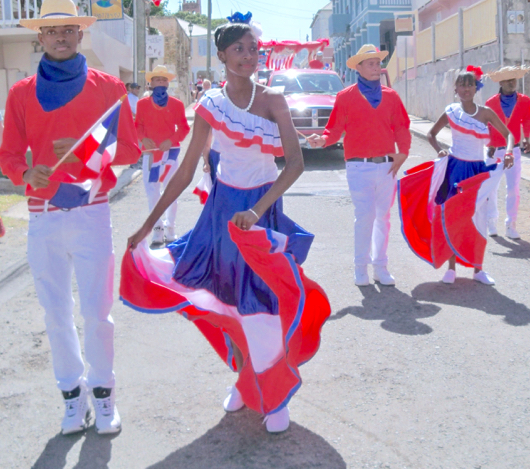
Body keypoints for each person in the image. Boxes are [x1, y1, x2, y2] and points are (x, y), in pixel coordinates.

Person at [122, 13, 330, 434]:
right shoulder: (212, 105)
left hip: (260, 211)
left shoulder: (274, 100)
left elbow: (295, 164)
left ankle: (272, 398)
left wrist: (257, 211)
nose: (248, 56)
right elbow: (182, 174)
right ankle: (244, 379)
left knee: (261, 305)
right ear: (221, 56)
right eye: (239, 49)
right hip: (221, 214)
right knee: (227, 302)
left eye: (253, 49)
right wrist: (147, 227)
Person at [0, 0, 139, 435]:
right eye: (51, 31)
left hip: (91, 211)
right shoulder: (21, 93)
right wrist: (26, 172)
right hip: (43, 216)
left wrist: (85, 151)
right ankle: (72, 398)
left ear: (81, 35)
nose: (60, 37)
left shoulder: (107, 87)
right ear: (40, 38)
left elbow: (132, 149)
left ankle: (104, 395)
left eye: (68, 30)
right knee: (56, 315)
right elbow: (7, 156)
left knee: (98, 313)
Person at [397, 66, 514, 285]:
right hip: (455, 169)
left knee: (478, 218)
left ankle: (478, 269)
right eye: (462, 84)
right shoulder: (451, 111)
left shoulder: (486, 112)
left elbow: (509, 134)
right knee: (452, 216)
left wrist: (508, 152)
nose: (466, 88)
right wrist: (439, 150)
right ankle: (451, 269)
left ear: (476, 87)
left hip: (477, 171)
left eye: (470, 84)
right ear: (456, 88)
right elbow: (431, 134)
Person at [308, 44, 411, 286]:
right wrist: (322, 139)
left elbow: (402, 127)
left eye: (378, 63)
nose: (376, 68)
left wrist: (403, 153)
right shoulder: (346, 97)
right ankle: (360, 267)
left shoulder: (391, 96)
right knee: (365, 216)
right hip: (358, 166)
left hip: (387, 166)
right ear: (359, 67)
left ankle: (380, 266)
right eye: (371, 64)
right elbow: (334, 129)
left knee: (383, 218)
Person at [135, 65, 190, 247]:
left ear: (168, 83)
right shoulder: (142, 104)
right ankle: (157, 229)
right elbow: (137, 126)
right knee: (152, 193)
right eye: (157, 79)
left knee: (171, 192)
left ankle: (170, 227)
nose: (161, 82)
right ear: (150, 83)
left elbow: (184, 128)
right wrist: (143, 138)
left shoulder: (177, 104)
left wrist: (171, 140)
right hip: (151, 155)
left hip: (170, 153)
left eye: (164, 79)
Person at [484, 66, 530, 239]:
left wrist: (527, 137)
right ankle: (491, 221)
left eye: (514, 79)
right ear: (500, 82)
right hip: (494, 150)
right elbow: (487, 125)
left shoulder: (524, 101)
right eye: (507, 80)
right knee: (491, 188)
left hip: (514, 150)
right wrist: (488, 143)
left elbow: (528, 120)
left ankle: (511, 224)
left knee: (513, 188)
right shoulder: (490, 102)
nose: (512, 83)